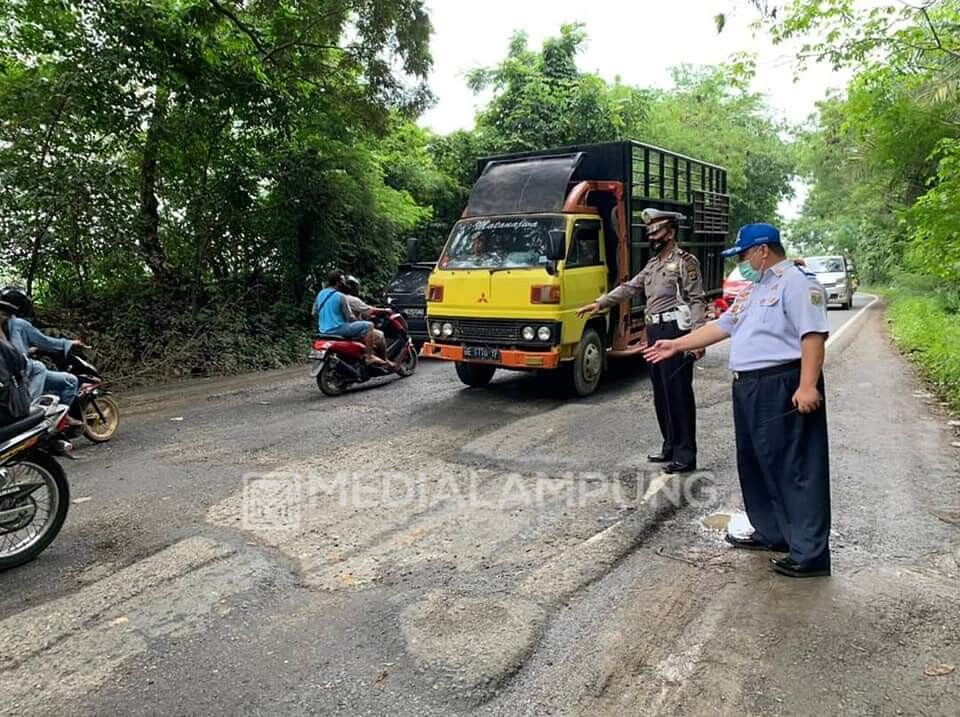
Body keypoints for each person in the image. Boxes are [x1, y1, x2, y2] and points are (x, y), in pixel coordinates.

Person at [642, 223, 832, 578]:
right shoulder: (756, 287)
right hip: (748, 386)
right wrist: (677, 344)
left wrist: (808, 384)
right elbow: (725, 325)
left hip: (781, 383)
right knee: (757, 462)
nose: (741, 262)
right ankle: (772, 532)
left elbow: (813, 334)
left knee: (794, 468)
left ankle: (809, 552)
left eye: (744, 255)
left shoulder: (797, 282)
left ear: (762, 250)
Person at [577, 208, 706, 474]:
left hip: (676, 332)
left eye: (656, 231)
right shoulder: (653, 264)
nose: (652, 236)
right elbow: (630, 288)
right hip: (655, 333)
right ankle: (669, 445)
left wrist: (697, 338)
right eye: (649, 233)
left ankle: (685, 454)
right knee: (661, 393)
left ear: (670, 232)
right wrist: (600, 302)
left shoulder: (685, 261)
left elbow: (696, 300)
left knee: (678, 393)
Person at [0, 287, 83, 423]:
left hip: (8, 378)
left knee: (69, 381)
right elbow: (45, 342)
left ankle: (58, 420)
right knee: (42, 369)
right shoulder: (19, 324)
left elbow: (11, 350)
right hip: (22, 376)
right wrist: (68, 343)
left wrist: (29, 350)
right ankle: (39, 419)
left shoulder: (5, 324)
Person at [313, 270, 389, 367]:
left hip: (323, 330)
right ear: (338, 282)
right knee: (369, 325)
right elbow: (350, 317)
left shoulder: (320, 293)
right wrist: (359, 322)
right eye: (343, 280)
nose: (344, 282)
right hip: (338, 328)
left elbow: (314, 312)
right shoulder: (341, 296)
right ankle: (370, 356)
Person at [342, 275, 388, 361]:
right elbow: (370, 310)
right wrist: (386, 310)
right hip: (352, 328)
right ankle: (382, 360)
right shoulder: (352, 299)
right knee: (380, 335)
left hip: (337, 327)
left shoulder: (337, 297)